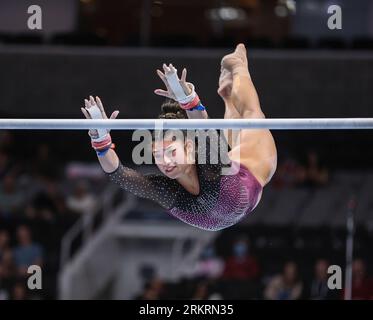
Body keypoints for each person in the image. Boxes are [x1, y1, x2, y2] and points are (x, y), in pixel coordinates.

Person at [80, 44, 277, 231]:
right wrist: (101, 141)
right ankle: (227, 95)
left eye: (172, 152)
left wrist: (187, 99)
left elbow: (202, 127)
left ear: (190, 149)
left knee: (253, 117)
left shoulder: (209, 164)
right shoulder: (165, 189)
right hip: (234, 183)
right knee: (233, 132)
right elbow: (119, 175)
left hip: (250, 172)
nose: (165, 161)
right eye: (157, 154)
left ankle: (237, 65)